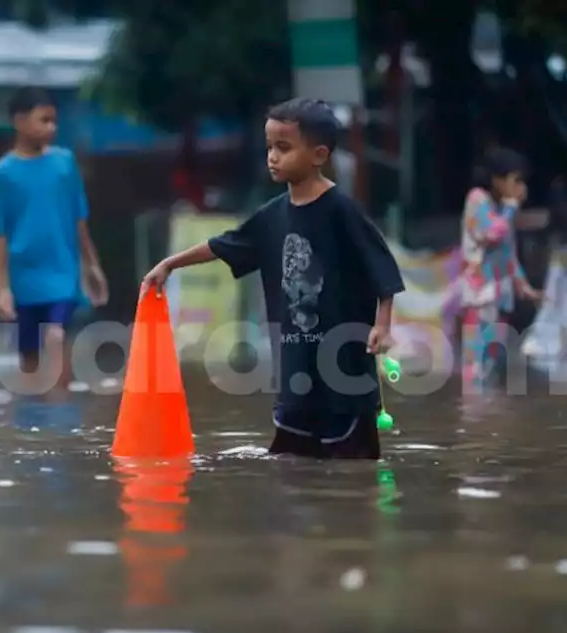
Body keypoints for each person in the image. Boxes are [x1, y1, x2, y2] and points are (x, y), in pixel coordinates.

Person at [140, 98, 404, 460]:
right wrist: (170, 263)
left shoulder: (341, 210)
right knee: (291, 467)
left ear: (318, 154)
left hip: (345, 376)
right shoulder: (272, 216)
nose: (273, 157)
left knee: (352, 471)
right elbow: (225, 244)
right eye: (269, 148)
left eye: (284, 147)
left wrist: (383, 325)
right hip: (295, 374)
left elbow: (382, 267)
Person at [0, 87, 108, 388]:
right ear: (19, 121)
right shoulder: (1, 174)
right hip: (23, 275)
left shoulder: (64, 164)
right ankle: (35, 424)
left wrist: (92, 266)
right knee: (28, 356)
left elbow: (79, 220)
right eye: (44, 120)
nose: (52, 128)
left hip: (62, 272)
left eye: (54, 121)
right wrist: (1, 288)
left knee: (56, 336)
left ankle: (61, 418)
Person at [446, 148, 542, 390]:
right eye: (515, 180)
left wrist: (523, 286)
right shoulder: (477, 200)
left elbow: (508, 254)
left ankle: (485, 420)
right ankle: (474, 420)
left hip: (499, 296)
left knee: (491, 365)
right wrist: (511, 207)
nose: (521, 187)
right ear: (497, 180)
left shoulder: (500, 207)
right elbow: (493, 234)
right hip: (479, 297)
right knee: (476, 368)